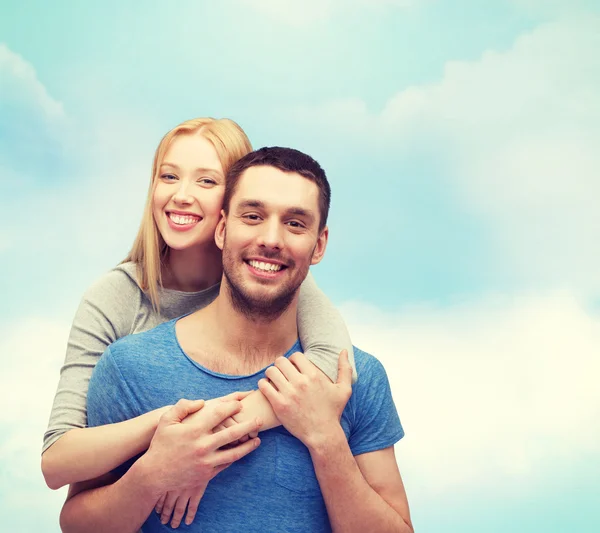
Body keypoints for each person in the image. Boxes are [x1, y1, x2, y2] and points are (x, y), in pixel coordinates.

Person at [59, 147, 413, 533]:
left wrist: (325, 439)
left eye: (295, 224)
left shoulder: (356, 379)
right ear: (222, 228)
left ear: (320, 244)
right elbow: (76, 524)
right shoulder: (127, 368)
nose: (271, 239)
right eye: (253, 216)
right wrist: (152, 475)